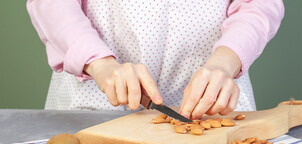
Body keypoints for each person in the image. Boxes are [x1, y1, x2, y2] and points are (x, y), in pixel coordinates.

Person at [27, 0, 284, 120]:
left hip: (214, 106)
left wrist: (225, 63)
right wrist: (99, 62)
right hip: (93, 102)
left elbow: (260, 4)